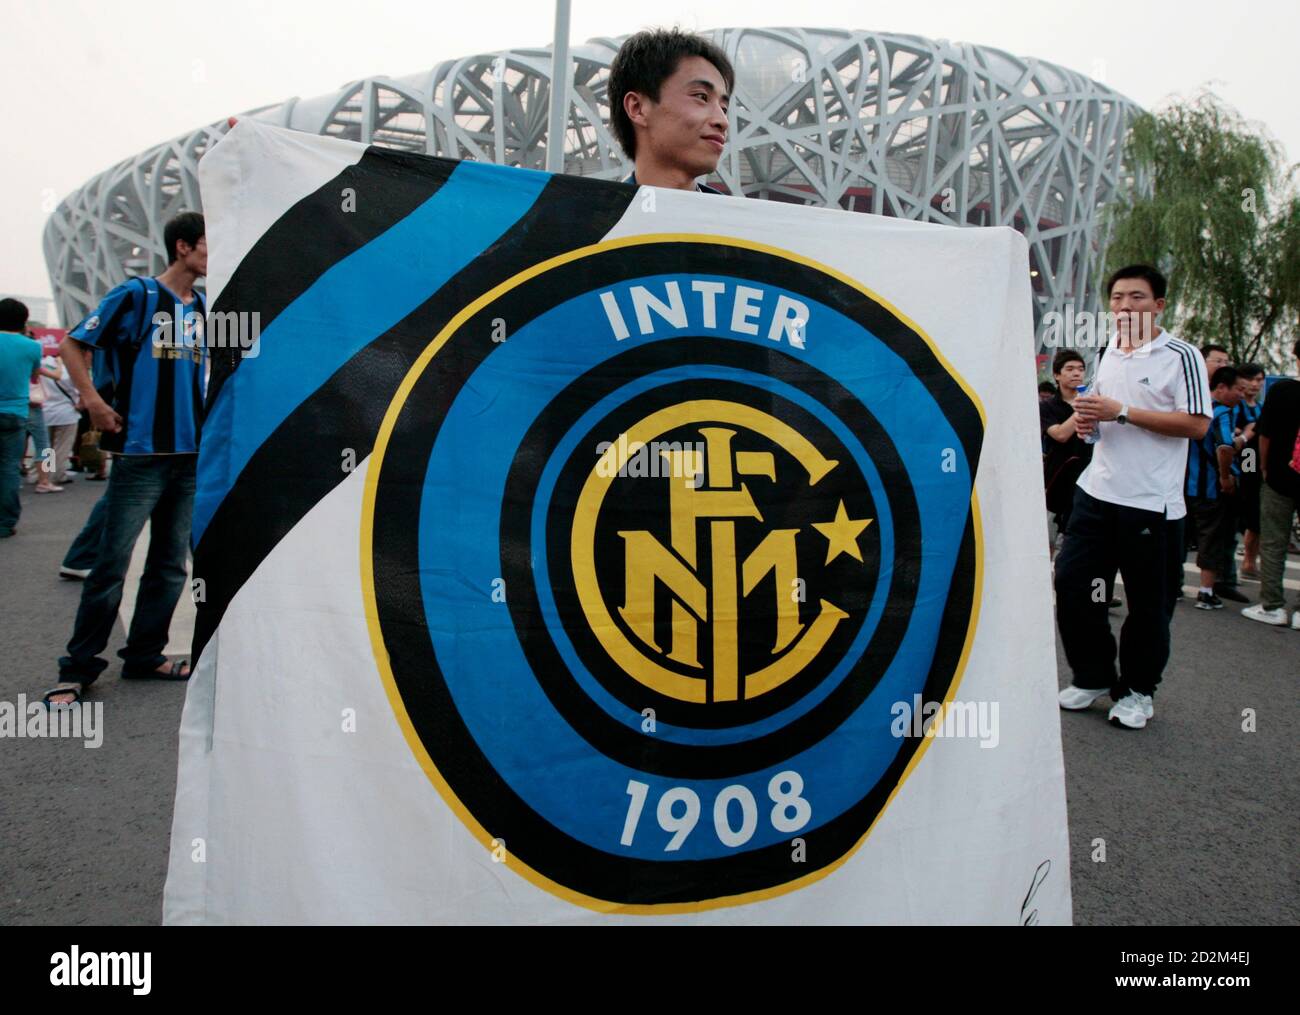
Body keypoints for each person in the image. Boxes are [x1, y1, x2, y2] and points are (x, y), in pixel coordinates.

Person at [43, 211, 208, 706]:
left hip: (188, 454)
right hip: (141, 453)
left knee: (170, 565)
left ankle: (144, 654)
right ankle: (78, 668)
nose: (211, 254)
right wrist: (92, 400)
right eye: (205, 245)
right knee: (112, 563)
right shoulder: (135, 296)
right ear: (181, 247)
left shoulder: (201, 307)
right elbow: (75, 344)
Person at [1055, 265, 1212, 730]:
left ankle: (1138, 691)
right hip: (1096, 493)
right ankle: (1093, 675)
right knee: (1072, 586)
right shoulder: (1108, 353)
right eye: (1118, 298)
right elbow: (1099, 418)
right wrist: (1090, 423)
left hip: (1151, 503)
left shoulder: (1181, 356)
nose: (1126, 306)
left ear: (1159, 305)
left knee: (1148, 605)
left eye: (1138, 298)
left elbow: (1197, 425)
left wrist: (1120, 412)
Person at [609, 28, 734, 193]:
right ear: (637, 108)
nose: (723, 122)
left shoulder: (738, 219)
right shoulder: (595, 217)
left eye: (724, 109)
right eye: (701, 97)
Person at [1242, 339, 1300, 628]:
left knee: (1274, 540)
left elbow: (1265, 435)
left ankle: (1272, 606)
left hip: (1280, 476)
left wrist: (1264, 466)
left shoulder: (1283, 391)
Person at [1184, 367, 1247, 608]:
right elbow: (1224, 448)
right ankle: (1206, 592)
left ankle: (1175, 585)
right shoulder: (1223, 413)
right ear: (1221, 387)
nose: (1241, 394)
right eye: (1238, 389)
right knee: (1211, 538)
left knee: (1183, 536)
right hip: (1210, 488)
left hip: (1186, 485)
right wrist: (1225, 477)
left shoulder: (1194, 409)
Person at [1041, 349, 1091, 551]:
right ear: (1057, 375)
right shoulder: (1047, 407)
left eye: (1080, 369)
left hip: (1087, 478)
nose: (1076, 373)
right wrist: (1082, 406)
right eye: (1069, 369)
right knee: (1048, 541)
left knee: (1076, 540)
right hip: (1057, 480)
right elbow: (1060, 434)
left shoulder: (1095, 402)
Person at [0, 298, 42, 537]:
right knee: (9, 468)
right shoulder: (31, 346)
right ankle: (6, 522)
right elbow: (35, 376)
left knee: (49, 446)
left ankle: (49, 473)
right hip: (17, 412)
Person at [1233, 362, 1266, 578]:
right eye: (1251, 379)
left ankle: (1251, 560)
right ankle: (1247, 560)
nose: (1255, 385)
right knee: (1250, 511)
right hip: (1244, 461)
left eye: (1259, 380)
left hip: (1259, 462)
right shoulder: (1235, 405)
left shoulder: (1261, 407)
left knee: (1258, 516)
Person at [40, 348, 80, 485]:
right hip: (66, 412)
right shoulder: (71, 368)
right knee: (62, 446)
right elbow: (77, 389)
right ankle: (57, 475)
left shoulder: (42, 364)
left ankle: (44, 475)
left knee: (47, 447)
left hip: (45, 411)